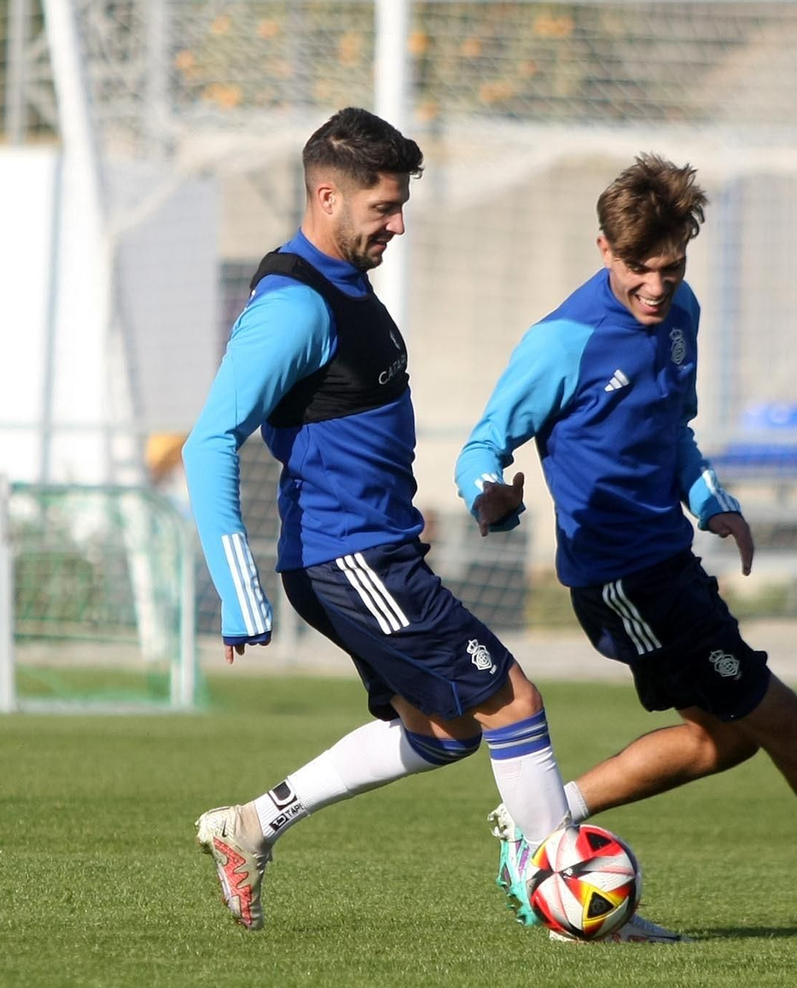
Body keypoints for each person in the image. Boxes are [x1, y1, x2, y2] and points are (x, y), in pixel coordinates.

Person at [454, 155, 797, 939]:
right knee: (787, 721)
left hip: (670, 562)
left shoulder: (680, 313)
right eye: (638, 269)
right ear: (603, 248)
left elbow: (672, 432)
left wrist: (711, 499)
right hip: (624, 578)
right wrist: (491, 496)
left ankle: (542, 826)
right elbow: (482, 445)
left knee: (723, 742)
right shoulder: (562, 342)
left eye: (671, 266)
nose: (656, 286)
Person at [182, 108, 573, 933]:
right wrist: (236, 591)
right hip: (350, 555)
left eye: (400, 207)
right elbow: (210, 440)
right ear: (327, 195)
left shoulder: (346, 283)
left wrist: (450, 503)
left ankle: (254, 823)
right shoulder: (293, 306)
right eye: (382, 208)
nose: (396, 224)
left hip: (369, 547)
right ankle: (563, 894)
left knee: (446, 730)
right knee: (513, 701)